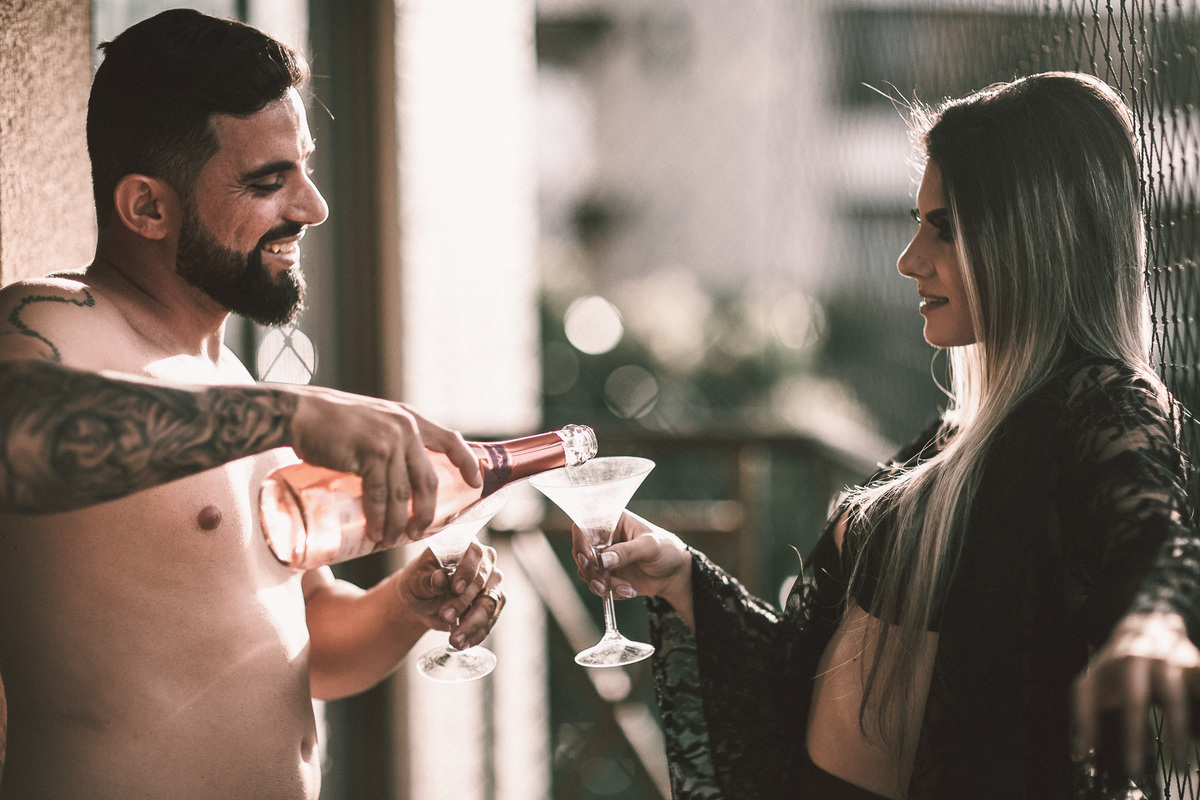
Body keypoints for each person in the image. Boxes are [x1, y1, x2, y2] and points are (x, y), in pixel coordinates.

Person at [573, 72, 1198, 799]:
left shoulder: (1102, 403)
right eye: (916, 220)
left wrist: (1153, 624)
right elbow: (801, 680)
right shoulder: (953, 438)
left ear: (1036, 237)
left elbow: (1154, 535)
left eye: (945, 227)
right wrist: (680, 576)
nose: (909, 259)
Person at [0, 10, 505, 799]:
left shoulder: (234, 379)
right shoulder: (52, 322)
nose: (312, 207)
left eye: (303, 167)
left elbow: (309, 643)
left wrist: (408, 605)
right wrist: (290, 416)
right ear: (147, 208)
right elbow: (22, 436)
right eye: (268, 182)